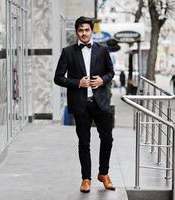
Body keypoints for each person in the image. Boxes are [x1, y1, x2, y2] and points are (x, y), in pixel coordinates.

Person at [54, 16, 115, 193]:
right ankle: (86, 179)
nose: (84, 33)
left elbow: (111, 72)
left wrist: (102, 81)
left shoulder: (102, 50)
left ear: (91, 30)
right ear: (76, 32)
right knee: (84, 142)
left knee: (107, 139)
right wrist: (77, 83)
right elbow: (58, 78)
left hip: (100, 103)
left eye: (87, 30)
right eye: (80, 30)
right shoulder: (68, 52)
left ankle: (103, 174)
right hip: (81, 104)